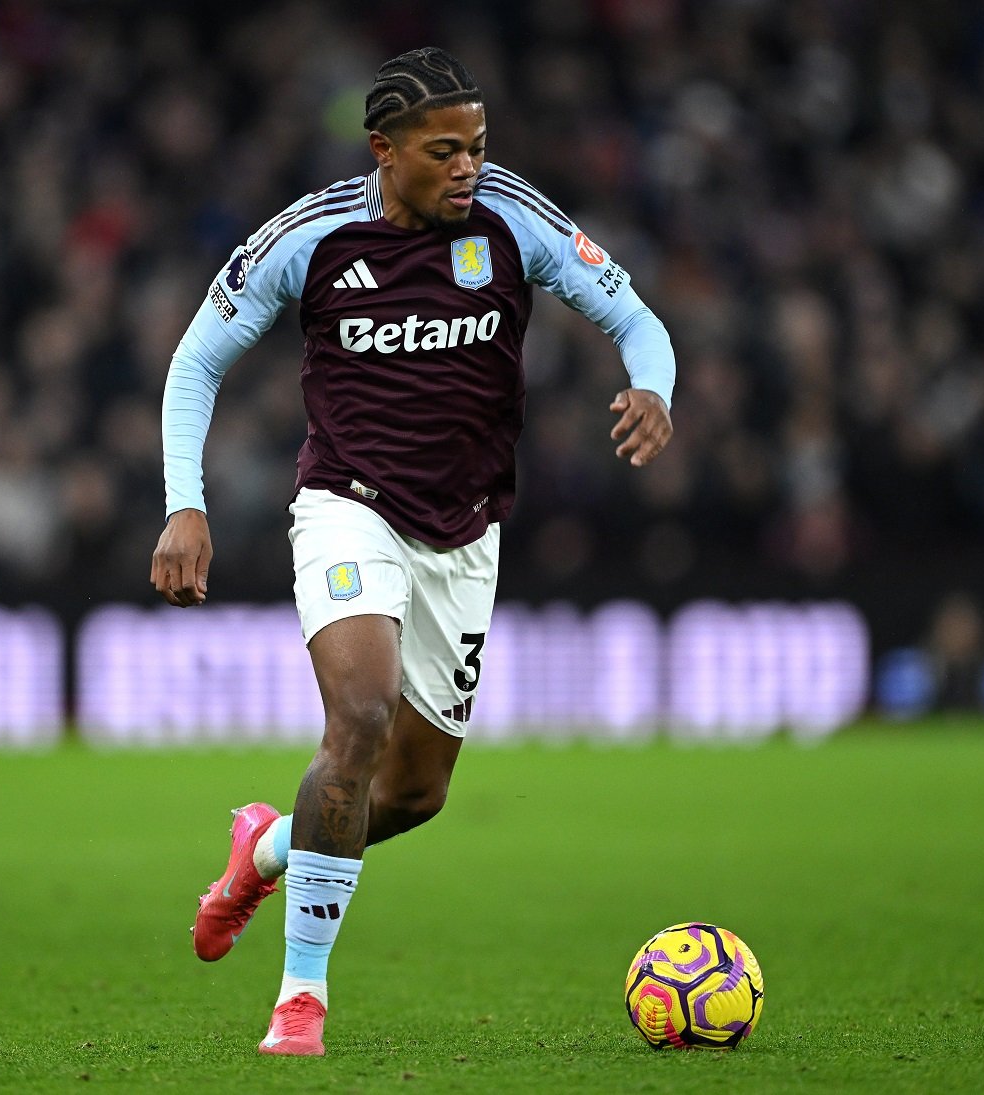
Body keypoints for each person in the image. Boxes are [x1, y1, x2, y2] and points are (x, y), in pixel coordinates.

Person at [150, 46, 676, 1057]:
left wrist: (653, 389)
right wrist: (186, 507)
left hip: (466, 530)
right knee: (357, 716)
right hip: (347, 505)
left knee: (414, 793)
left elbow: (636, 319)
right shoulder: (310, 237)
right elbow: (196, 361)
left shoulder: (516, 221)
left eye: (478, 146)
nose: (469, 166)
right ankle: (301, 999)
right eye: (445, 150)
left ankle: (258, 853)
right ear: (384, 151)